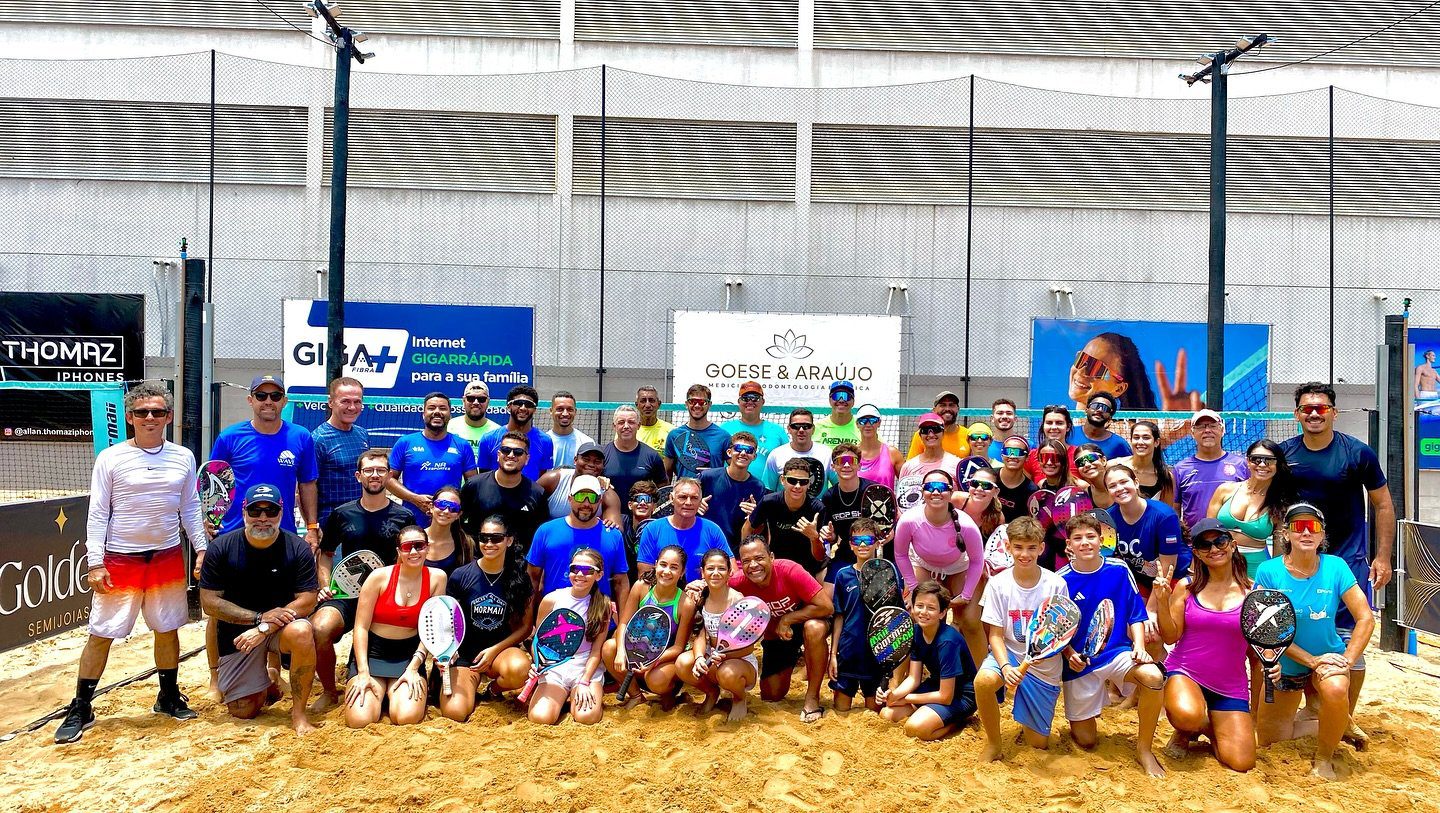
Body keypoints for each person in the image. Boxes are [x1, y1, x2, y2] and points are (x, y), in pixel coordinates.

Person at [56, 381, 207, 744]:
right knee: (102, 633)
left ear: (169, 416)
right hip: (120, 559)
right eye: (142, 412)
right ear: (129, 417)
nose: (150, 417)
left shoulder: (184, 457)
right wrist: (95, 563)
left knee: (167, 628)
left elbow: (189, 507)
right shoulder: (110, 458)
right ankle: (81, 706)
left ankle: (168, 697)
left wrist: (201, 549)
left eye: (157, 411)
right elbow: (97, 514)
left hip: (168, 557)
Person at [1280, 381, 1394, 748]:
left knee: (1349, 640)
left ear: (1334, 411)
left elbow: (1384, 505)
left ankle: (1343, 716)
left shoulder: (1357, 453)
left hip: (1348, 558)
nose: (1314, 413)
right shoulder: (1284, 455)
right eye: (1307, 408)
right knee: (1300, 633)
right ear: (1296, 413)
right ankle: (1315, 707)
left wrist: (1382, 557)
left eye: (1321, 408)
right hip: (1299, 561)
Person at [1255, 504, 1376, 780]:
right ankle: (1339, 722)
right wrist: (1310, 660)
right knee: (1270, 741)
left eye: (1314, 527)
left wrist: (1345, 662)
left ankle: (1324, 760)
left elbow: (1366, 619)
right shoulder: (1269, 571)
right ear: (1286, 534)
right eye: (1298, 527)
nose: (1307, 532)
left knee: (1335, 688)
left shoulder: (1336, 567)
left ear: (1322, 535)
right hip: (1286, 662)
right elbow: (1264, 629)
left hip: (1329, 656)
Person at [198, 484, 319, 735]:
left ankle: (298, 714)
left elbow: (308, 600)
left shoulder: (297, 548)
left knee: (302, 630)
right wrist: (257, 618)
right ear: (244, 511)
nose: (263, 518)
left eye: (270, 511)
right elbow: (209, 602)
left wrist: (264, 627)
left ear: (281, 512)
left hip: (278, 629)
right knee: (243, 711)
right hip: (240, 633)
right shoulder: (221, 548)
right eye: (256, 510)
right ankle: (268, 681)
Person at [1058, 513, 1166, 777]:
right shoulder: (1060, 580)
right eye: (1078, 538)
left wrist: (1139, 646)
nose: (1085, 543)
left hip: (1117, 653)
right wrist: (1070, 653)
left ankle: (1144, 749)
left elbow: (1135, 612)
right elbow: (1057, 630)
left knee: (1153, 676)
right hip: (1080, 664)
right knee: (1086, 741)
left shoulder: (1118, 569)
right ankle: (1082, 719)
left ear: (1101, 539)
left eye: (1091, 536)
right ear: (1068, 545)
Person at [310, 448, 413, 712]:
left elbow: (411, 561)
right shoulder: (342, 514)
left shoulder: (404, 517)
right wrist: (325, 586)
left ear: (390, 475)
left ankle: (371, 671)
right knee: (320, 628)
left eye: (380, 470)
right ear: (358, 476)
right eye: (369, 470)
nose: (375, 475)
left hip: (386, 599)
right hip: (347, 595)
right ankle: (330, 691)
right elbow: (326, 554)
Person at [1155, 519, 1254, 772]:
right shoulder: (1187, 588)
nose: (1214, 549)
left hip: (1230, 685)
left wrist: (1255, 712)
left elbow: (1256, 655)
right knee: (1188, 716)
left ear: (1232, 545)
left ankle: (1211, 730)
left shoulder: (1252, 592)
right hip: (1186, 673)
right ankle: (1190, 728)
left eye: (1219, 541)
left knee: (1241, 763)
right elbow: (1170, 637)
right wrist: (1163, 601)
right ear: (1196, 552)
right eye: (1204, 544)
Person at [974, 516, 1069, 762]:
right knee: (983, 681)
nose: (1024, 554)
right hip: (1009, 653)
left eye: (1030, 547)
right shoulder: (998, 584)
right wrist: (1006, 667)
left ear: (1041, 548)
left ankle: (1027, 715)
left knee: (1037, 745)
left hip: (1043, 665)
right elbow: (994, 635)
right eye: (1018, 547)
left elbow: (1059, 633)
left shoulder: (1056, 584)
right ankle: (994, 743)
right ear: (1008, 547)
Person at [342, 526, 447, 728]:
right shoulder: (378, 578)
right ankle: (381, 694)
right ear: (399, 551)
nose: (414, 552)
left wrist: (414, 668)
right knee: (359, 720)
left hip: (408, 656)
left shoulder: (437, 578)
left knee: (406, 718)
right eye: (407, 547)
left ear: (427, 547)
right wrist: (363, 672)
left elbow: (430, 629)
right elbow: (361, 628)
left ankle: (391, 695)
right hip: (373, 654)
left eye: (419, 546)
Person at [729, 536, 834, 723]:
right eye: (746, 561)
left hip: (806, 620)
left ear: (771, 557)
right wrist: (699, 586)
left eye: (759, 558)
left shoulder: (789, 570)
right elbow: (715, 587)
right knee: (771, 695)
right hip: (776, 636)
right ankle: (795, 658)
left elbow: (826, 606)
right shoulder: (738, 582)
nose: (753, 565)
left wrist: (788, 618)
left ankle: (812, 697)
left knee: (814, 628)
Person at [441, 515, 534, 721]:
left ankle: (492, 689)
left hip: (500, 651)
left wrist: (493, 651)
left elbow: (526, 627)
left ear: (508, 541)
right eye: (484, 538)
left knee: (519, 669)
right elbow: (448, 621)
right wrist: (448, 653)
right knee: (455, 713)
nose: (489, 543)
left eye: (496, 538)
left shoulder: (519, 577)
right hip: (466, 655)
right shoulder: (460, 575)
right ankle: (470, 684)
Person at [210, 374, 319, 544]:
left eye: (275, 396)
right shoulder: (229, 437)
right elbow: (212, 483)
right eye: (261, 396)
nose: (268, 401)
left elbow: (307, 484)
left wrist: (312, 527)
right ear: (250, 400)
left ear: (284, 401)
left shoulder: (301, 437)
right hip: (235, 533)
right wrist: (210, 520)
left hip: (282, 534)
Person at [894, 470, 986, 666]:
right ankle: (901, 681)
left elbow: (978, 560)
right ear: (922, 491)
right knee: (916, 615)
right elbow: (901, 554)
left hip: (959, 568)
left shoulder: (966, 525)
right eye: (930, 487)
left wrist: (967, 595)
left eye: (942, 488)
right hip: (924, 565)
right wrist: (911, 588)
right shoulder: (909, 520)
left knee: (969, 620)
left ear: (951, 492)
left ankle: (984, 677)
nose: (936, 492)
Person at [878, 581, 979, 740]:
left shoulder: (947, 642)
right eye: (919, 605)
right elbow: (913, 678)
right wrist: (894, 694)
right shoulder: (917, 631)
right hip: (935, 685)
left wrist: (904, 698)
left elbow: (945, 696)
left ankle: (956, 723)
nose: (923, 612)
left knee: (916, 729)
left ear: (942, 613)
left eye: (931, 608)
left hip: (960, 695)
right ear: (912, 606)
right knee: (887, 714)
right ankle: (931, 715)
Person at [527, 548, 612, 725]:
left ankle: (575, 695)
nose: (580, 574)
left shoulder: (603, 605)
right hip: (554, 666)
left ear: (599, 575)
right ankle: (560, 697)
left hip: (585, 666)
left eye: (588, 570)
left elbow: (596, 651)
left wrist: (584, 681)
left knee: (587, 717)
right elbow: (539, 640)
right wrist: (537, 664)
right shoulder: (552, 599)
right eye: (575, 569)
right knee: (540, 718)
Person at [674, 549, 760, 721]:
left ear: (729, 572)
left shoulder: (738, 601)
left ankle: (739, 698)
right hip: (712, 657)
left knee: (727, 673)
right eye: (710, 568)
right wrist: (699, 657)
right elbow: (700, 633)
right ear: (702, 573)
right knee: (683, 663)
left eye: (721, 568)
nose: (715, 573)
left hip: (740, 662)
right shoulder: (701, 599)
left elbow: (748, 647)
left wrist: (725, 655)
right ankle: (712, 692)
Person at [603, 545, 687, 708]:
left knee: (655, 680)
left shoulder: (685, 604)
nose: (667, 571)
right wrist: (621, 651)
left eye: (674, 567)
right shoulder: (641, 587)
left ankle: (668, 694)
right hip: (636, 656)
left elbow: (678, 648)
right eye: (663, 564)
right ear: (655, 564)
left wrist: (653, 661)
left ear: (682, 572)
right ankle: (636, 695)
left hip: (663, 664)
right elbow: (624, 623)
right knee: (609, 648)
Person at [829, 519, 898, 713]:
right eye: (856, 540)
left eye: (867, 540)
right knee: (841, 708)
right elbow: (839, 617)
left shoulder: (888, 573)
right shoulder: (843, 575)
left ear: (877, 543)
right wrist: (833, 655)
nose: (862, 545)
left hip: (876, 655)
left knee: (874, 710)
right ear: (850, 545)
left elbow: (896, 616)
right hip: (849, 651)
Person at [526, 475, 630, 603]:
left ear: (599, 501)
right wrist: (528, 621)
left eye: (592, 498)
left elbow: (621, 583)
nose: (586, 503)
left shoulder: (613, 535)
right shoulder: (546, 531)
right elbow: (532, 579)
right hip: (554, 616)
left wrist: (623, 623)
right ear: (570, 498)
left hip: (598, 616)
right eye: (580, 497)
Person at [1207, 439, 1296, 578]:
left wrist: (1276, 580)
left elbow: (1279, 554)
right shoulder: (1225, 490)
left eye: (1269, 460)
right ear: (1248, 461)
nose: (1261, 464)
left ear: (1278, 464)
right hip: (1218, 564)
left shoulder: (1280, 505)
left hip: (1256, 569)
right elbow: (1206, 532)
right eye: (1256, 459)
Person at [387, 391, 479, 526]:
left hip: (449, 521)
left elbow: (473, 485)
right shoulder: (405, 443)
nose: (437, 412)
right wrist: (414, 499)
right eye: (431, 408)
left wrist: (454, 505)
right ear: (423, 414)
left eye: (443, 408)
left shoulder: (462, 445)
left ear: (450, 415)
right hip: (413, 521)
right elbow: (388, 479)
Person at [459, 431, 550, 553]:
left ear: (527, 458)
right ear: (498, 454)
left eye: (518, 452)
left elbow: (541, 536)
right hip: (479, 561)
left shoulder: (537, 493)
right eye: (506, 450)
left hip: (518, 566)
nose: (511, 455)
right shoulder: (474, 485)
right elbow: (458, 522)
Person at [1105, 464, 1186, 597]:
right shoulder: (1107, 520)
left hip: (1172, 578)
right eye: (1112, 486)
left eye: (1124, 482)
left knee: (1159, 614)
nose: (1119, 488)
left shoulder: (1164, 516)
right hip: (1139, 580)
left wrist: (1151, 610)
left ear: (1136, 483)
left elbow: (1166, 568)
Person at [743, 458, 826, 577]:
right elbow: (747, 528)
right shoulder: (769, 502)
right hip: (777, 564)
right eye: (792, 480)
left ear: (809, 483)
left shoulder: (817, 508)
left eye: (803, 482)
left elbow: (819, 556)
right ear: (783, 480)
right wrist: (748, 558)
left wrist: (814, 537)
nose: (797, 486)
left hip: (809, 567)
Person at [637, 477, 729, 583]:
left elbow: (730, 571)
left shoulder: (712, 530)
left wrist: (704, 587)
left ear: (700, 501)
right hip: (664, 596)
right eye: (683, 497)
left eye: (694, 498)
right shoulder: (653, 530)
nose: (688, 502)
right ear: (671, 498)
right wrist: (681, 592)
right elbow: (645, 577)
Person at [1173, 409, 1249, 532]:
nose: (1207, 430)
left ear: (1222, 430)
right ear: (1192, 433)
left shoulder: (1242, 465)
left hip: (1231, 544)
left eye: (1213, 426)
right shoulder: (1180, 469)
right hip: (1194, 545)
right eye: (1201, 427)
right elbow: (1175, 509)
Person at [818, 443, 882, 580]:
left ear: (859, 466)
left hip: (873, 553)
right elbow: (833, 537)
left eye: (851, 461)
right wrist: (830, 535)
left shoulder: (873, 491)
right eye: (841, 462)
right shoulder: (829, 496)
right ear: (833, 466)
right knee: (828, 594)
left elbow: (886, 527)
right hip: (846, 553)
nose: (846, 466)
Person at [311, 376, 368, 527]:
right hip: (331, 523)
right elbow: (306, 488)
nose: (352, 407)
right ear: (331, 402)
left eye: (357, 402)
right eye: (345, 401)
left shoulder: (362, 434)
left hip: (362, 519)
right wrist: (313, 527)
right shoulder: (318, 439)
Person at [698, 432, 765, 547]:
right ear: (729, 452)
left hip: (735, 551)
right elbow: (684, 503)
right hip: (703, 544)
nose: (743, 453)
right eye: (739, 448)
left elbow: (760, 529)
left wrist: (755, 516)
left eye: (749, 450)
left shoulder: (758, 487)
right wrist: (695, 504)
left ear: (754, 456)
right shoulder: (707, 477)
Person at [476, 385, 555, 480]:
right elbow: (483, 478)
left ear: (534, 409)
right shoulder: (489, 439)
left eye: (529, 404)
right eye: (518, 403)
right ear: (509, 407)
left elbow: (543, 478)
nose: (523, 408)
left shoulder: (545, 441)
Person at [1068, 332, 1160, 412]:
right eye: (1081, 359)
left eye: (1096, 367)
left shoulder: (1128, 430)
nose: (1081, 371)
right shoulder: (1060, 425)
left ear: (1119, 389)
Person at [538, 442, 623, 527]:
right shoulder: (553, 480)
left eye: (597, 461)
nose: (591, 464)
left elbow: (616, 530)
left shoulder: (607, 494)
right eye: (586, 459)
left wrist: (610, 526)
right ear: (575, 460)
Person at [603, 405, 668, 514]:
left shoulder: (652, 456)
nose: (626, 426)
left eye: (631, 422)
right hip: (610, 520)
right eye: (621, 422)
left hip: (641, 519)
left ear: (639, 425)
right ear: (614, 426)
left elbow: (662, 488)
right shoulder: (603, 454)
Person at [720, 381, 787, 480]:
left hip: (766, 492)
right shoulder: (724, 429)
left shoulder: (777, 431)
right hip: (730, 488)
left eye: (755, 398)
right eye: (745, 398)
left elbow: (787, 464)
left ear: (762, 402)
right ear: (739, 402)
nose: (750, 402)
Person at [896, 412, 963, 512]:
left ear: (943, 432)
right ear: (920, 435)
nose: (931, 434)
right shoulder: (908, 466)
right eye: (926, 430)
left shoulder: (957, 464)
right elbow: (901, 503)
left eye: (936, 429)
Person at [664, 384, 731, 480]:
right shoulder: (674, 436)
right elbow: (667, 473)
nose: (697, 405)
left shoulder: (723, 436)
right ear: (686, 404)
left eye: (702, 402)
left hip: (714, 494)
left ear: (709, 404)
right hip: (685, 494)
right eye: (692, 401)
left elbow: (734, 471)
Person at [762, 408, 829, 491]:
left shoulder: (827, 453)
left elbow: (838, 485)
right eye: (796, 426)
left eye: (806, 426)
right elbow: (768, 489)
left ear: (813, 429)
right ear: (789, 429)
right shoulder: (776, 455)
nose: (801, 430)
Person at [1111, 419, 1174, 505]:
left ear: (1156, 442)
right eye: (1136, 437)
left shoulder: (1165, 477)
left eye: (1146, 438)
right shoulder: (1114, 466)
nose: (1140, 442)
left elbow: (1167, 511)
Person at [448, 379, 507, 461]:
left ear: (488, 401)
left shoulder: (498, 432)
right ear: (463, 400)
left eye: (481, 399)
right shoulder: (449, 427)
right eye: (471, 398)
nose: (476, 402)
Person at [423, 485, 474, 575]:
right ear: (431, 507)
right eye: (442, 504)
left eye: (453, 508)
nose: (446, 511)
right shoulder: (414, 538)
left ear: (458, 515)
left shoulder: (465, 544)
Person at [904, 391, 970, 460]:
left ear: (958, 409)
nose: (947, 409)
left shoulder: (967, 435)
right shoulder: (923, 435)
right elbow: (912, 465)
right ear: (934, 410)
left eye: (951, 405)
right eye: (943, 405)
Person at [1066, 392, 1132, 460]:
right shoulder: (1068, 434)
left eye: (1105, 408)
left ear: (1110, 417)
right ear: (1086, 410)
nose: (1100, 410)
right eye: (1095, 406)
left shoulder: (1119, 444)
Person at [854, 403, 902, 490]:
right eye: (863, 421)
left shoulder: (892, 453)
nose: (868, 425)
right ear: (857, 424)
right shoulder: (852, 454)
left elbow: (906, 486)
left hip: (885, 503)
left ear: (879, 423)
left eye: (872, 420)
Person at [1024, 405, 1077, 482]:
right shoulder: (1032, 456)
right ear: (1043, 426)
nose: (1054, 427)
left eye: (1059, 423)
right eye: (1049, 423)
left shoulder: (1077, 454)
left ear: (1068, 427)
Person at [546, 391, 595, 469]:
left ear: (575, 412)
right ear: (551, 411)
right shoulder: (542, 442)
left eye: (570, 409)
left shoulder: (586, 442)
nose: (565, 413)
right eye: (560, 409)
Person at [995, 436, 1038, 523]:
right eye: (1008, 451)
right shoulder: (990, 478)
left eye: (1018, 452)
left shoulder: (1032, 491)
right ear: (1002, 455)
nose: (1012, 456)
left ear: (1027, 457)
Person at [814, 380, 860, 450]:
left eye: (846, 396)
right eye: (837, 396)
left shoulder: (863, 428)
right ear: (830, 400)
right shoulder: (815, 428)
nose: (841, 400)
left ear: (853, 401)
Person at [634, 386, 674, 455]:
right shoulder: (628, 431)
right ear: (637, 405)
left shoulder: (671, 431)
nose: (647, 405)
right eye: (643, 401)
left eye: (651, 400)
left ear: (659, 404)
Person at [1072, 444, 1114, 510]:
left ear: (1103, 460)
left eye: (1091, 458)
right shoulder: (1084, 497)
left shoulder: (1123, 483)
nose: (1087, 464)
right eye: (1080, 462)